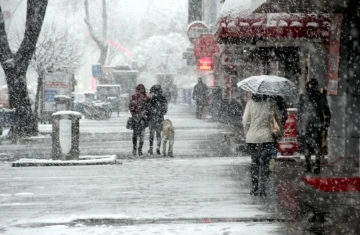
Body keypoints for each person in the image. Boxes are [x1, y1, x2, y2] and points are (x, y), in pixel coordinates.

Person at [243, 94, 276, 197]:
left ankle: (254, 188)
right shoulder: (270, 104)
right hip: (266, 138)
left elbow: (245, 120)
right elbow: (274, 120)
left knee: (255, 162)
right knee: (265, 164)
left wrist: (247, 128)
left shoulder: (250, 103)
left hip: (252, 138)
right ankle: (263, 189)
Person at [298, 79, 331, 174]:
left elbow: (300, 113)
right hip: (318, 124)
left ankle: (308, 166)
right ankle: (317, 166)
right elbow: (326, 110)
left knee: (307, 146)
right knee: (317, 145)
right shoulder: (320, 96)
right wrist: (327, 123)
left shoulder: (303, 96)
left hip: (306, 124)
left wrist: (300, 126)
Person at [129, 84, 150, 156]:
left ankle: (138, 149)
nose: (141, 91)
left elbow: (148, 109)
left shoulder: (146, 98)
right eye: (140, 89)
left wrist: (145, 115)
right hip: (138, 119)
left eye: (142, 89)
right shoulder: (136, 98)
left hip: (141, 119)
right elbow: (131, 107)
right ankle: (136, 149)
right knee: (137, 135)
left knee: (140, 135)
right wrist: (135, 115)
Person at [147, 85, 168, 155]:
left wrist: (151, 113)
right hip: (159, 119)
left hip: (152, 119)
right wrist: (160, 112)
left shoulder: (151, 100)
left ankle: (151, 148)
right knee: (158, 134)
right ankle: (158, 147)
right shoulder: (163, 99)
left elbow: (148, 110)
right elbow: (165, 110)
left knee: (151, 134)